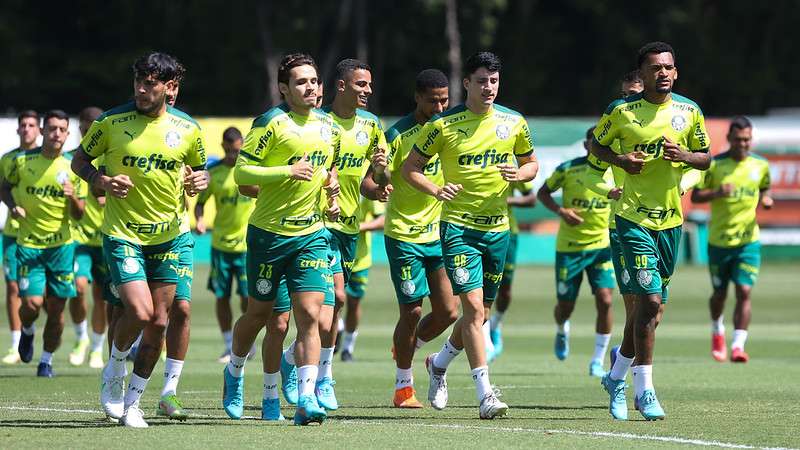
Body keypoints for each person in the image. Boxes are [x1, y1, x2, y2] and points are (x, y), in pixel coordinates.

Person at [71, 52, 208, 428]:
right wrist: (100, 180)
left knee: (160, 323)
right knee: (141, 313)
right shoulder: (110, 122)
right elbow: (79, 161)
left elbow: (199, 171)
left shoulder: (188, 129)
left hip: (169, 238)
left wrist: (201, 180)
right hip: (124, 235)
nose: (143, 89)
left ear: (169, 87)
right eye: (138, 81)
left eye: (151, 83)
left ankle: (133, 403)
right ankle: (114, 367)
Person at [402, 52, 538, 419]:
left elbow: (531, 164)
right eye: (481, 81)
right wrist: (434, 189)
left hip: (497, 229)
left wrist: (521, 174)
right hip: (458, 227)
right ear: (467, 83)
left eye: (494, 81)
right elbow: (409, 169)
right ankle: (485, 394)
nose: (488, 87)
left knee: (480, 315)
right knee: (474, 310)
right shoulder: (443, 125)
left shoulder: (513, 122)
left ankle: (439, 363)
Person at [590, 42, 711, 421]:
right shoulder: (621, 111)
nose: (662, 73)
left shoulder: (689, 112)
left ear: (676, 72)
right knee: (650, 303)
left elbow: (705, 158)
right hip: (633, 220)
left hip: (671, 222)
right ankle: (645, 391)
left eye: (668, 67)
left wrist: (686, 157)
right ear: (641, 75)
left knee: (650, 313)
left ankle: (615, 376)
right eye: (655, 68)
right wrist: (621, 160)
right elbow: (597, 146)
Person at [221, 53, 340, 425]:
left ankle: (306, 398)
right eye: (301, 81)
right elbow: (243, 173)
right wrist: (287, 170)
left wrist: (331, 191)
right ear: (284, 88)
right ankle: (235, 372)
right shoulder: (271, 123)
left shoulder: (327, 126)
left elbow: (327, 168)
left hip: (311, 233)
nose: (310, 87)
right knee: (259, 316)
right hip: (269, 236)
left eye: (314, 80)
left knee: (310, 316)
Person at [285, 58, 387, 412]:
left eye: (370, 85)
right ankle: (323, 377)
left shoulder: (373, 126)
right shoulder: (319, 122)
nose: (368, 91)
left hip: (349, 228)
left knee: (334, 306)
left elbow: (369, 184)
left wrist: (381, 180)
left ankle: (293, 358)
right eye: (361, 85)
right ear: (342, 86)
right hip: (317, 224)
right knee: (331, 303)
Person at [363, 68, 459, 408]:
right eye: (432, 101)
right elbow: (368, 184)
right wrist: (379, 187)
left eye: (445, 101)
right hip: (403, 235)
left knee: (449, 312)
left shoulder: (450, 130)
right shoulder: (397, 135)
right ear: (417, 97)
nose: (439, 108)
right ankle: (404, 387)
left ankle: (407, 347)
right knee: (414, 310)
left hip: (440, 233)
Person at [1, 109, 86, 377]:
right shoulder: (22, 161)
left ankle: (46, 361)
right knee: (31, 304)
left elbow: (79, 213)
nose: (56, 134)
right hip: (29, 245)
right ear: (42, 131)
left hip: (62, 247)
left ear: (67, 134)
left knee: (57, 309)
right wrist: (13, 206)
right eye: (51, 129)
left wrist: (72, 197)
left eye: (62, 130)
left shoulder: (73, 166)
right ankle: (27, 331)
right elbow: (4, 186)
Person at [691, 116, 772, 363]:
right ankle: (717, 330)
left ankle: (738, 345)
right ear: (729, 139)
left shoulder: (760, 165)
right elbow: (696, 197)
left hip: (748, 241)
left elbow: (765, 187)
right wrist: (717, 192)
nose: (743, 144)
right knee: (719, 294)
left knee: (744, 290)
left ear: (751, 139)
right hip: (719, 242)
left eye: (747, 139)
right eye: (738, 139)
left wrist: (766, 199)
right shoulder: (714, 165)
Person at [537, 127, 615, 376]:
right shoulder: (568, 169)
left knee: (605, 300)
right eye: (595, 142)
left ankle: (597, 360)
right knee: (565, 306)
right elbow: (543, 192)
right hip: (569, 250)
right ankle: (562, 328)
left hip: (601, 247)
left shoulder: (616, 173)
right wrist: (561, 212)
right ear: (586, 145)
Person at [195, 127, 254, 364]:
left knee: (247, 298)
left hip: (247, 246)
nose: (233, 155)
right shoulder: (214, 173)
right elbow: (200, 203)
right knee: (222, 296)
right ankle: (229, 345)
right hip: (220, 246)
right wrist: (199, 220)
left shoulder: (249, 171)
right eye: (229, 150)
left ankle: (246, 344)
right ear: (223, 147)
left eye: (237, 150)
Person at [66, 106, 108, 369]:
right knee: (78, 288)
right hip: (79, 238)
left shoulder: (108, 158)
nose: (88, 131)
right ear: (80, 127)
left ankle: (96, 347)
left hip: (106, 238)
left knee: (102, 296)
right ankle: (81, 338)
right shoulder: (72, 160)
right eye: (85, 126)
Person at [1, 110, 40, 365]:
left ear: (39, 130)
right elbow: (3, 188)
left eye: (31, 125)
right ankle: (16, 345)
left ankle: (31, 331)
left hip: (43, 238)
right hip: (14, 235)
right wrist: (13, 205)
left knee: (40, 298)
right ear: (18, 130)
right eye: (23, 125)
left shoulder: (50, 159)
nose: (26, 129)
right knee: (13, 287)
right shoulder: (9, 159)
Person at [486, 180, 536, 361]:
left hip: (507, 232)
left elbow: (532, 199)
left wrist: (507, 201)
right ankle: (485, 342)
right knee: (479, 289)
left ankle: (495, 324)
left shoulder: (508, 167)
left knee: (504, 290)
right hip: (475, 231)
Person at [339, 197, 385, 361]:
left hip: (360, 259)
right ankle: (335, 329)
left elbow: (382, 220)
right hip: (334, 254)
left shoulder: (366, 188)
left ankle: (347, 348)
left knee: (353, 303)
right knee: (332, 300)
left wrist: (360, 226)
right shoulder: (331, 182)